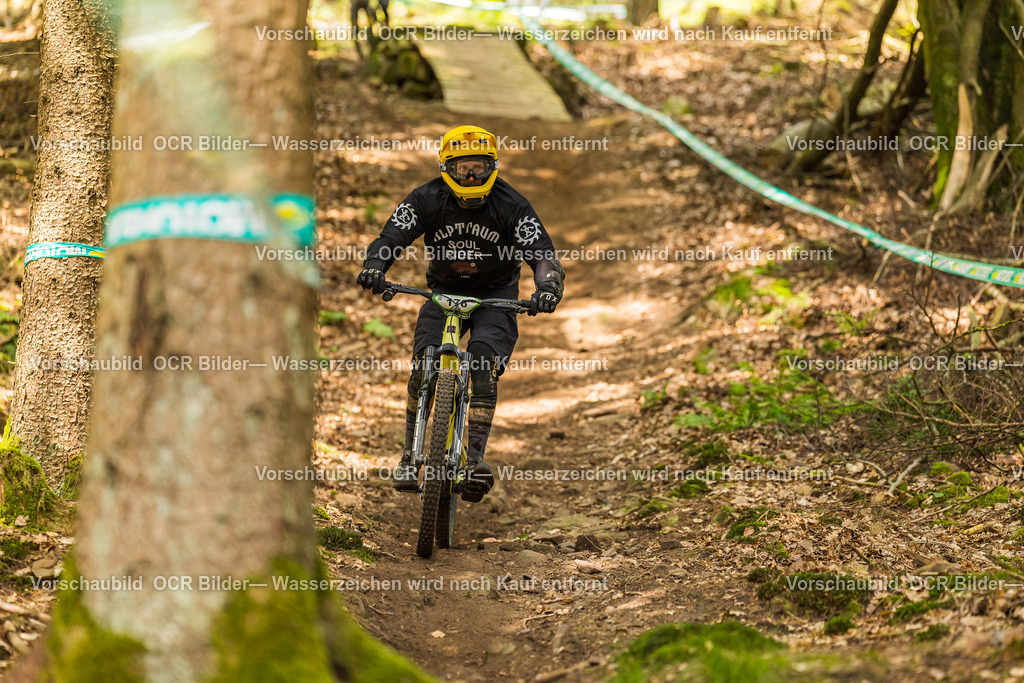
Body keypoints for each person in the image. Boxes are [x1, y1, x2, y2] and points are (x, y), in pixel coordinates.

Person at [356, 125, 565, 501]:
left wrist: (548, 287)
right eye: (463, 169)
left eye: (479, 168)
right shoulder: (426, 198)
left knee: (483, 364)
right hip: (443, 293)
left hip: (495, 296)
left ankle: (476, 460)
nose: (471, 177)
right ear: (445, 168)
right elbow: (391, 237)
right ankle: (408, 455)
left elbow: (542, 253)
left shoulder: (511, 204)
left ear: (493, 167)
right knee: (423, 365)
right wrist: (376, 266)